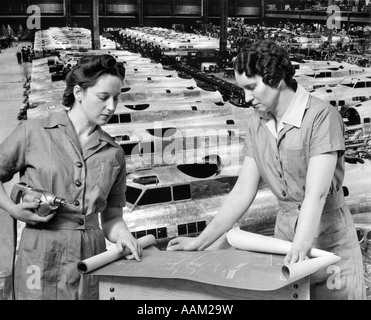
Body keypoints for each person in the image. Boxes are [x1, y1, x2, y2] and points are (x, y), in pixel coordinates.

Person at [167, 40, 366, 300]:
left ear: (275, 78)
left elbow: (315, 195)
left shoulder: (321, 117)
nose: (247, 98)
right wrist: (200, 241)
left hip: (327, 238)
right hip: (284, 235)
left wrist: (300, 248)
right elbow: (242, 191)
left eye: (251, 87)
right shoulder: (257, 122)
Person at [0, 54, 142, 300]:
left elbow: (111, 219)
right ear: (78, 92)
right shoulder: (33, 133)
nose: (112, 106)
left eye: (116, 98)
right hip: (41, 253)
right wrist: (13, 209)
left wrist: (124, 235)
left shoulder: (114, 153)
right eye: (103, 97)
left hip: (90, 257)